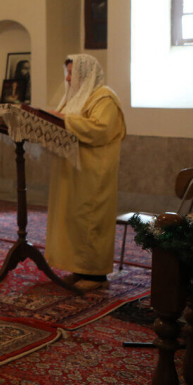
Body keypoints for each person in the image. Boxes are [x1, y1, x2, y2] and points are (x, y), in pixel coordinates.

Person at [46, 54, 126, 291]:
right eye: (67, 73)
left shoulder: (105, 98)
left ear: (86, 74)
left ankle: (96, 275)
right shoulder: (75, 98)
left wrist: (64, 120)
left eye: (72, 73)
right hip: (73, 171)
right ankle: (78, 269)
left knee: (91, 220)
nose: (69, 79)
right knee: (74, 220)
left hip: (94, 171)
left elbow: (100, 129)